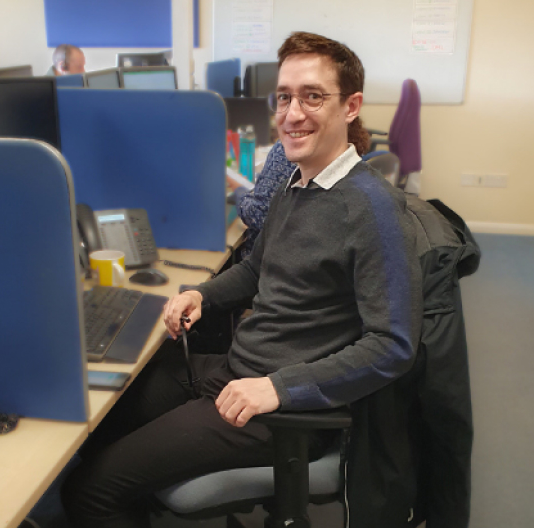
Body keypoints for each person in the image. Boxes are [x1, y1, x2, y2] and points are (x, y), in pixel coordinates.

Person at [61, 31, 422, 528]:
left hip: (279, 404)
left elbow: (392, 345)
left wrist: (278, 388)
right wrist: (201, 295)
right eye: (285, 97)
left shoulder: (373, 208)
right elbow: (256, 269)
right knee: (97, 425)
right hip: (236, 367)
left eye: (313, 96)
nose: (293, 113)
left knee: (90, 490)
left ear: (351, 106)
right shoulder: (299, 182)